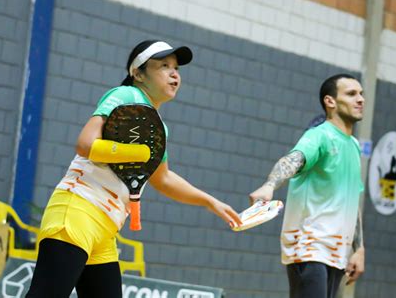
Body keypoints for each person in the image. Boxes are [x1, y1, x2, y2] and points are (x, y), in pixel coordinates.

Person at [26, 40, 242, 298]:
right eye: (164, 66)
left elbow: (163, 179)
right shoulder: (125, 95)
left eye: (176, 68)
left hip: (105, 229)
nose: (174, 73)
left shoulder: (159, 126)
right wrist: (138, 153)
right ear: (138, 73)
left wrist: (210, 202)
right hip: (77, 211)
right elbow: (85, 144)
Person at [249, 74, 365, 298]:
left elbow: (352, 201)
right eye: (351, 94)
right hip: (309, 246)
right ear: (330, 101)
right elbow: (294, 159)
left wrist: (358, 249)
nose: (360, 99)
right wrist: (270, 185)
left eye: (361, 94)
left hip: (337, 253)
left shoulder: (353, 146)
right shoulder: (319, 135)